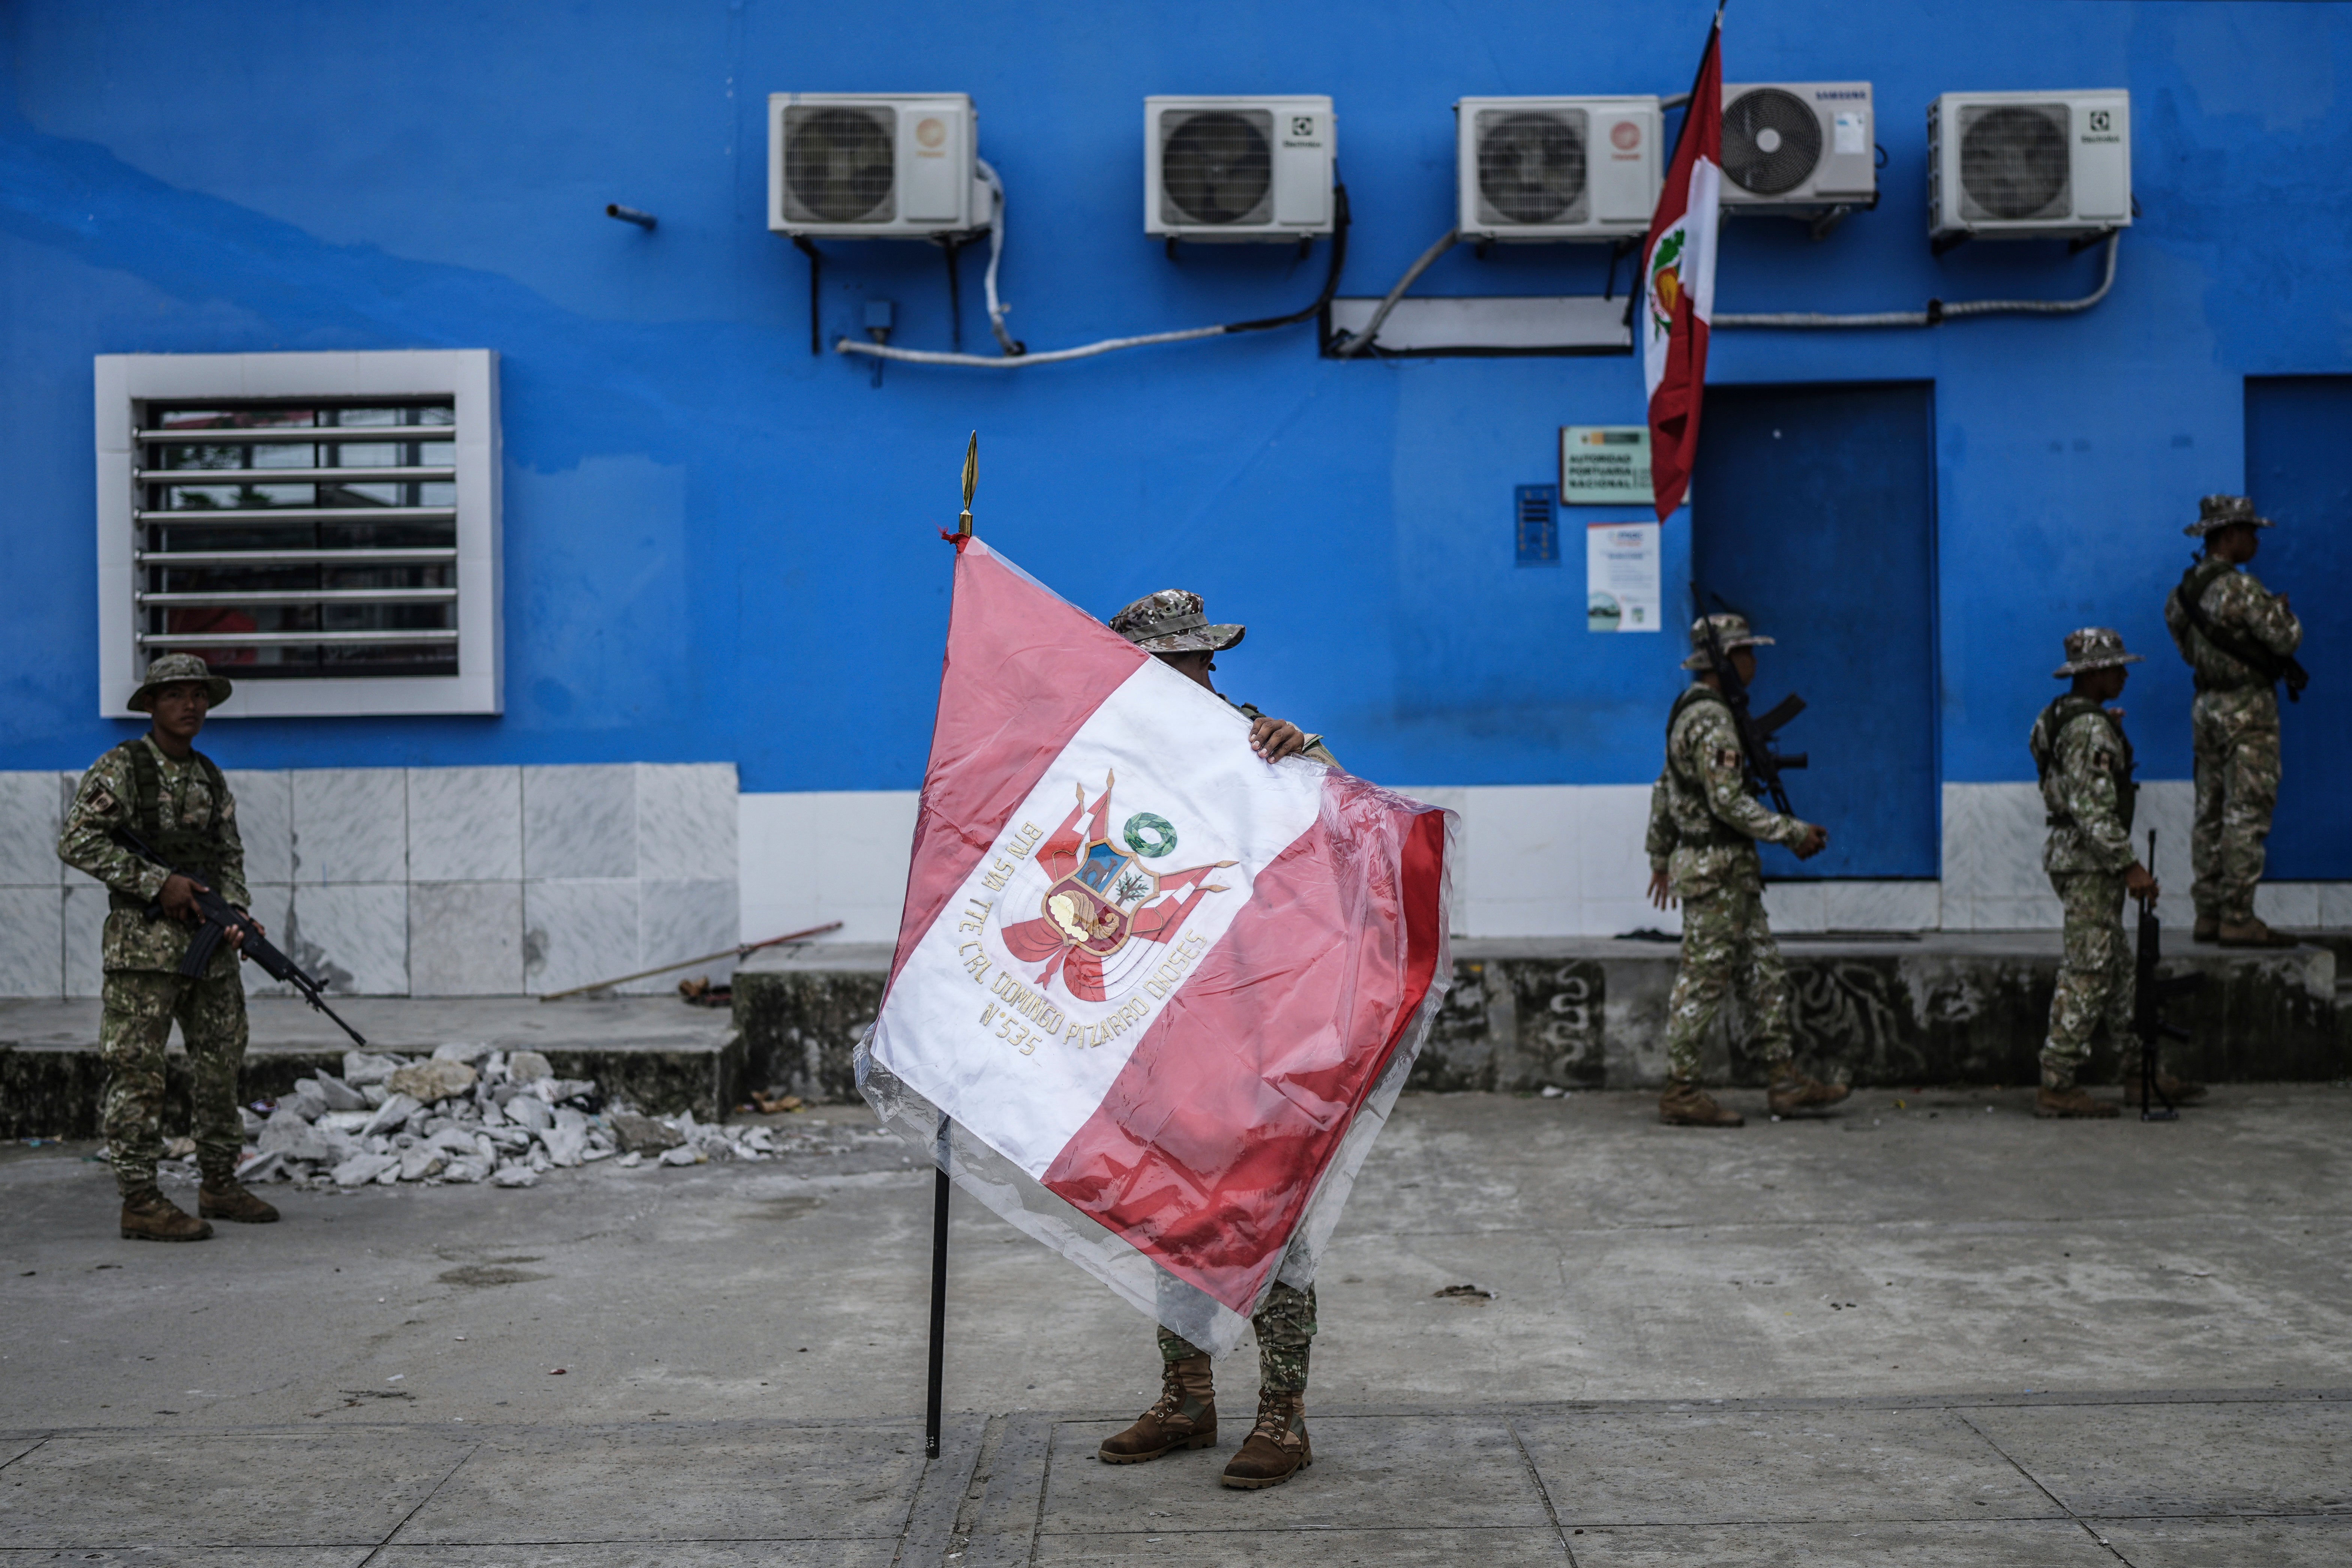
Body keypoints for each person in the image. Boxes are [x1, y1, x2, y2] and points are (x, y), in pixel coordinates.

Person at [1094, 589, 1330, 1490]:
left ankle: (1283, 1415)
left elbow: (1347, 820)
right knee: (1169, 1213)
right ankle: (1186, 1396)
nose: (1204, 673)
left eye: (1203, 658)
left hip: (1261, 1025)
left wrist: (1307, 750)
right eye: (1183, 661)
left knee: (1273, 1214)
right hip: (1160, 1026)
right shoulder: (1112, 767)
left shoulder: (1256, 743)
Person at [56, 653, 277, 1241]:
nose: (191, 705)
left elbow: (228, 854)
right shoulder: (123, 767)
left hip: (211, 950)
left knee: (221, 1064)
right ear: (151, 704)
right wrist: (158, 882)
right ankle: (141, 1200)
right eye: (176, 694)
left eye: (199, 694)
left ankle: (219, 1182)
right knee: (138, 1072)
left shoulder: (209, 776)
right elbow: (76, 840)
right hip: (143, 952)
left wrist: (236, 912)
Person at [1644, 614, 1848, 1128]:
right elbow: (1727, 802)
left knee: (1762, 972)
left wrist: (1660, 854)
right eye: (1748, 653)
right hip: (1715, 871)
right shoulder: (1713, 721)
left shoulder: (1690, 711)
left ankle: (1784, 1080)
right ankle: (1681, 1090)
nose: (1755, 662)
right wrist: (1791, 831)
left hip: (1730, 871)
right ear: (1726, 660)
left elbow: (1664, 788)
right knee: (1703, 980)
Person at [2029, 628, 2204, 1117]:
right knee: (2088, 969)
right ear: (2093, 673)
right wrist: (2131, 866)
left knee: (2121, 969)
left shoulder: (2057, 716)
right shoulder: (2090, 729)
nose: (2124, 675)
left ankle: (2137, 1072)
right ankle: (2057, 1083)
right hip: (2091, 861)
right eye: (2116, 668)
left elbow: (2057, 772)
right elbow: (2091, 810)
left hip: (2076, 857)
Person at [2163, 494, 2305, 948]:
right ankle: (2238, 918)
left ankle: (2208, 914)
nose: (2256, 540)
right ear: (2229, 535)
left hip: (2206, 706)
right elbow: (2287, 640)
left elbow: (2187, 650)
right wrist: (2282, 612)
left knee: (2209, 811)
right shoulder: (2242, 589)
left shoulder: (2181, 596)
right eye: (2250, 532)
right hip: (2248, 710)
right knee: (2246, 811)